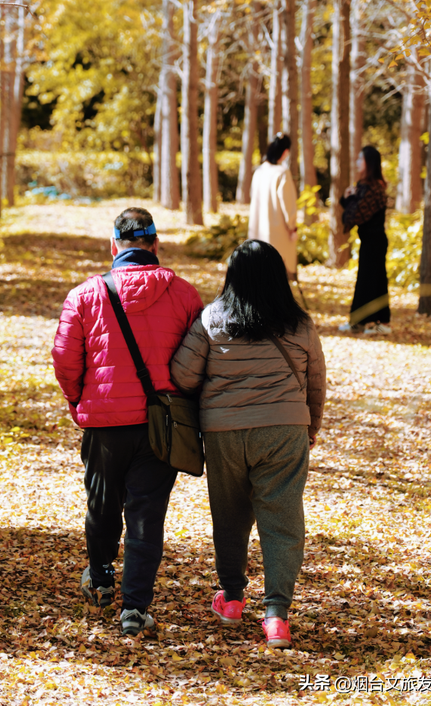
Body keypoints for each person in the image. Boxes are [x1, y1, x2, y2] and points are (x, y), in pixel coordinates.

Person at [51, 207, 203, 637]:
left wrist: (79, 400)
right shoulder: (184, 295)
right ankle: (135, 608)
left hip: (104, 423)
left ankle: (101, 577)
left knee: (102, 503)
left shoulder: (85, 295)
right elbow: (198, 363)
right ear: (156, 244)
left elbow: (64, 359)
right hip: (161, 426)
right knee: (146, 515)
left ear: (113, 246)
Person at [170, 240, 326, 649]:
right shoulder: (301, 325)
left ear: (233, 276)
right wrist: (310, 427)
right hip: (285, 429)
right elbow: (315, 383)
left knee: (230, 515)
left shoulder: (212, 318)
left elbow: (183, 376)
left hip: (224, 431)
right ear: (278, 277)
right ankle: (276, 617)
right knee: (283, 521)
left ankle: (232, 599)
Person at [338, 145, 391, 334]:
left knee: (370, 281)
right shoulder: (367, 186)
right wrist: (347, 199)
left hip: (374, 241)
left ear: (369, 163)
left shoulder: (372, 188)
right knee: (372, 280)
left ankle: (371, 323)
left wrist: (347, 199)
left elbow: (355, 215)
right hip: (371, 241)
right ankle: (375, 322)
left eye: (361, 159)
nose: (357, 162)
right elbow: (353, 212)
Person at [248, 133, 298, 278]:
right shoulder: (282, 173)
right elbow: (288, 204)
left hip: (257, 233)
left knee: (260, 274)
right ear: (285, 152)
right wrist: (292, 227)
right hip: (278, 234)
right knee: (277, 274)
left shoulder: (259, 172)